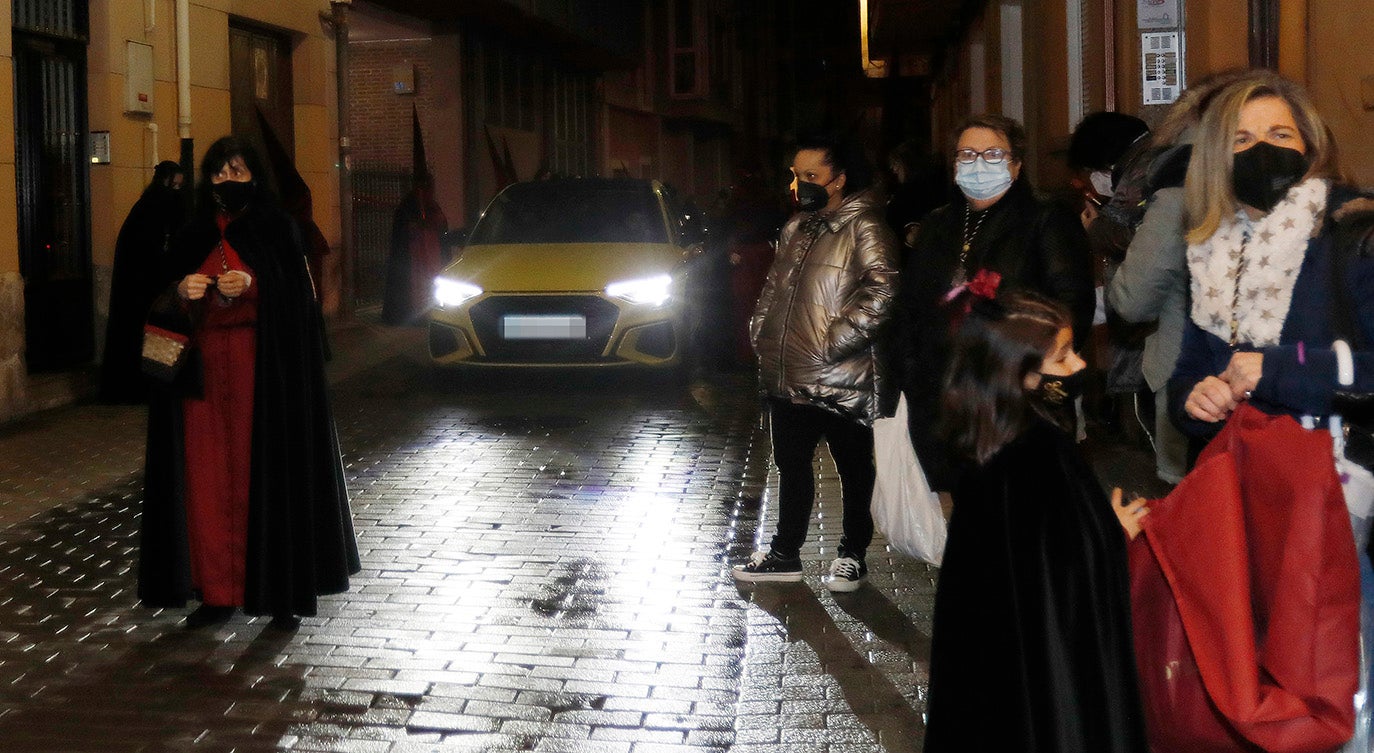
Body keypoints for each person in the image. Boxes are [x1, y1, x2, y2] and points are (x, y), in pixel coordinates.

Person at [1154, 69, 1374, 751]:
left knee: (1335, 668)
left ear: (1311, 143)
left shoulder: (1352, 233)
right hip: (1244, 491)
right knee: (1251, 665)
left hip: (1334, 491)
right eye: (1243, 138)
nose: (1263, 151)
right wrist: (1198, 397)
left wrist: (1276, 369)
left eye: (1281, 134)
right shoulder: (1212, 247)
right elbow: (1190, 381)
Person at [138, 136, 360, 629]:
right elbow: (158, 303)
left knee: (268, 479)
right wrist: (182, 290)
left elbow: (304, 307)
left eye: (237, 172)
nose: (227, 182)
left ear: (254, 177)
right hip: (201, 382)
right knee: (206, 485)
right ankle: (216, 592)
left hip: (266, 377)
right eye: (219, 173)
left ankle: (280, 592)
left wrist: (256, 287)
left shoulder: (279, 229)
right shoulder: (191, 232)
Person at [923, 291, 1148, 753]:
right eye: (1063, 357)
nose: (1079, 366)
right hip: (1045, 678)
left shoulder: (981, 439)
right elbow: (1062, 576)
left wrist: (1093, 526)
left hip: (990, 671)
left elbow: (1032, 555)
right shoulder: (1043, 452)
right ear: (1021, 374)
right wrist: (1112, 533)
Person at [893, 114, 1095, 492]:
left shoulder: (1046, 219)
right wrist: (911, 372)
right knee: (961, 514)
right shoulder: (937, 224)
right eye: (967, 154)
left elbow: (1071, 305)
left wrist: (1033, 368)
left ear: (1016, 165)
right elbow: (910, 305)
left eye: (993, 154)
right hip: (943, 399)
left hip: (1017, 398)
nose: (978, 163)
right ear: (954, 165)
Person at [732, 134, 898, 592]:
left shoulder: (865, 226)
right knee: (791, 463)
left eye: (811, 176)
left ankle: (853, 555)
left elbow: (883, 293)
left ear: (839, 180)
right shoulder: (796, 228)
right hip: (789, 374)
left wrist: (831, 343)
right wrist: (761, 332)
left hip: (843, 375)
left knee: (853, 466)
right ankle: (786, 553)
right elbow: (774, 287)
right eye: (795, 175)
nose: (799, 185)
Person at [1107, 72, 1247, 483]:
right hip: (1280, 395)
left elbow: (1133, 298)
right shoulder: (1303, 194)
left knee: (1198, 513)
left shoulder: (1177, 190)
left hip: (1191, 389)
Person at [99, 161, 185, 403]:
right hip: (139, 290)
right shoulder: (149, 210)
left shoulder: (151, 208)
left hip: (145, 288)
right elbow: (147, 252)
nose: (176, 192)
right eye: (174, 185)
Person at [382, 171, 448, 325]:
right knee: (416, 287)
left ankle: (430, 312)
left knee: (431, 285)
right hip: (414, 258)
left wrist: (433, 223)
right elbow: (403, 230)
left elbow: (441, 223)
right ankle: (415, 313)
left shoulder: (432, 205)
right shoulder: (407, 206)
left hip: (431, 257)